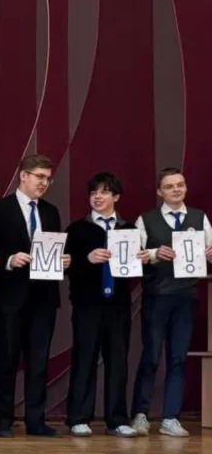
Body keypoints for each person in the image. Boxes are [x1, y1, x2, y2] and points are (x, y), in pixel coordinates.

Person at [0, 154, 70, 437]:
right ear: (23, 176)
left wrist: (63, 260)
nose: (44, 183)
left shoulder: (51, 211)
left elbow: (52, 248)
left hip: (43, 296)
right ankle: (3, 420)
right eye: (39, 177)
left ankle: (36, 420)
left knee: (39, 361)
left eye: (48, 179)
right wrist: (9, 260)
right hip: (9, 295)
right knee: (6, 359)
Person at [130, 167, 212, 438]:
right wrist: (154, 253)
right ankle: (140, 414)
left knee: (178, 358)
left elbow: (209, 254)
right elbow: (132, 255)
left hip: (186, 297)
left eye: (180, 184)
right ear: (159, 192)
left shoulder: (200, 217)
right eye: (169, 186)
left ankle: (171, 417)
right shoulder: (146, 219)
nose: (176, 190)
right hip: (157, 295)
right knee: (151, 355)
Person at [64, 173, 139, 438]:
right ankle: (78, 418)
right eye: (94, 192)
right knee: (84, 358)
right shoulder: (77, 229)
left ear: (116, 196)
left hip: (118, 304)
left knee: (118, 361)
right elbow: (65, 266)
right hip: (87, 304)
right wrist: (87, 258)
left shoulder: (129, 229)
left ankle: (117, 419)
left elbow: (134, 269)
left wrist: (140, 258)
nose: (97, 197)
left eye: (104, 192)